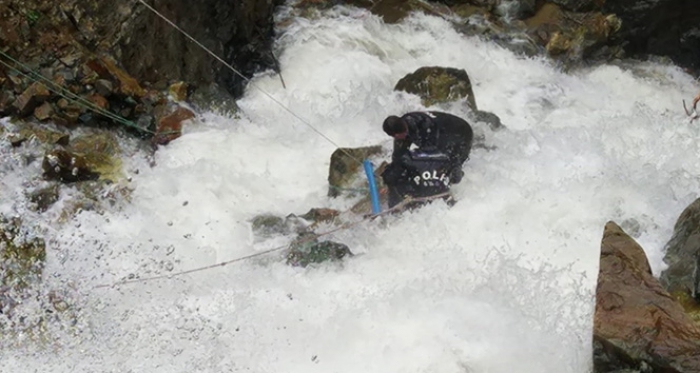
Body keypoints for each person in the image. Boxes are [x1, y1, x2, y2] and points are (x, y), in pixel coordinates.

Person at [380, 111, 474, 208]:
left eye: (402, 134)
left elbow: (433, 157)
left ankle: (455, 193)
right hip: (443, 136)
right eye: (396, 136)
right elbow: (398, 158)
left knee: (450, 165)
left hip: (460, 133)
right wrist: (389, 182)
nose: (401, 137)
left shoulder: (425, 125)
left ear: (405, 127)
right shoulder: (400, 128)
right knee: (410, 164)